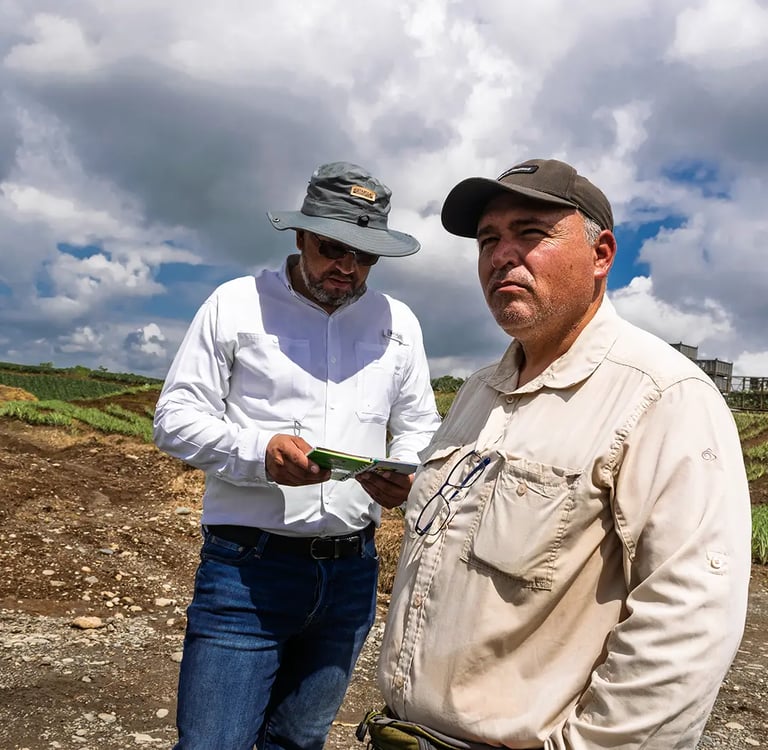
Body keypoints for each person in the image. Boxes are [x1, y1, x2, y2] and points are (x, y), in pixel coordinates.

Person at [373, 158, 752, 749]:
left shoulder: (662, 396)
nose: (502, 255)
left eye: (531, 233)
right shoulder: (478, 391)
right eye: (488, 240)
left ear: (601, 255)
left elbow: (688, 628)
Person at [154, 161, 441, 750]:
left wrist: (406, 471)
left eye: (365, 256)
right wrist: (259, 453)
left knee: (298, 743)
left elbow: (420, 425)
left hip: (352, 576)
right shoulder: (234, 305)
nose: (348, 267)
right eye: (334, 248)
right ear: (300, 235)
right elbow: (175, 419)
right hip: (246, 572)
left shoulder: (399, 324)